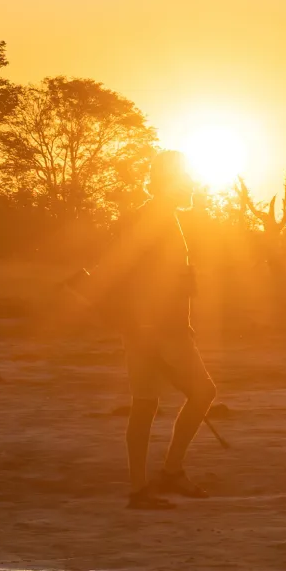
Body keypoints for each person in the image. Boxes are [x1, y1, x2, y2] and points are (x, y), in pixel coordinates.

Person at [90, 149, 218, 509]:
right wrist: (154, 325)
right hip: (159, 329)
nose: (193, 184)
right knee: (203, 392)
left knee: (144, 404)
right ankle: (170, 472)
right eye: (187, 178)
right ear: (170, 182)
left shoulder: (157, 217)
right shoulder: (155, 220)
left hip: (148, 327)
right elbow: (138, 274)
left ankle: (140, 489)